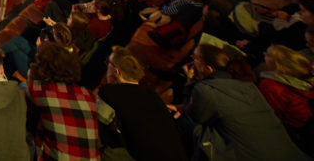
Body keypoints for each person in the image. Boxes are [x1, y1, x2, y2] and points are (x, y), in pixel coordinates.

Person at [174, 44, 307, 160]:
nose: (191, 60)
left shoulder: (206, 89)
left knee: (184, 124)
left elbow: (193, 116)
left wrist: (190, 82)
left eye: (195, 57)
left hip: (246, 155)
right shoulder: (249, 86)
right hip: (288, 153)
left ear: (209, 69)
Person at [96, 46, 188, 161]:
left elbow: (94, 121)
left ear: (116, 72)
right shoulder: (153, 96)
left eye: (108, 63)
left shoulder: (110, 92)